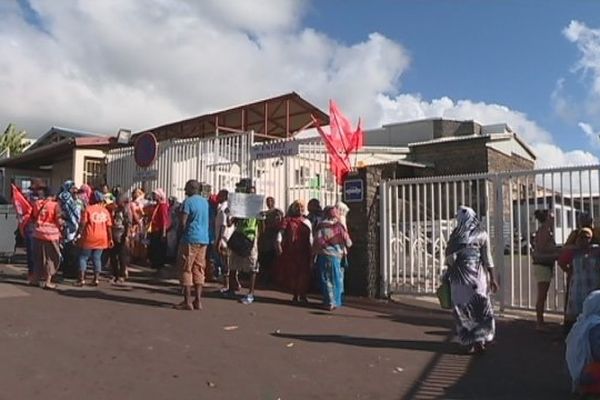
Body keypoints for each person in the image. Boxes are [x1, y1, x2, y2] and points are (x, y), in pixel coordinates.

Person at [444, 206, 498, 354]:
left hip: (459, 279)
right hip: (477, 277)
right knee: (479, 307)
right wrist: (493, 278)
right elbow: (488, 258)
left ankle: (468, 341)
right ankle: (481, 340)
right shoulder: (482, 234)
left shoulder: (456, 234)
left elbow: (449, 259)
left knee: (462, 308)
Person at [175, 180, 210, 310]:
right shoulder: (204, 202)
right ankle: (198, 300)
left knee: (186, 268)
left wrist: (180, 235)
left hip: (190, 238)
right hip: (203, 239)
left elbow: (183, 222)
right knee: (199, 268)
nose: (185, 191)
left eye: (186, 189)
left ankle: (187, 301)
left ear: (191, 189)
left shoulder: (188, 202)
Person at [558, 228, 600, 333]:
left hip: (592, 287)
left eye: (587, 238)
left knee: (593, 312)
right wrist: (569, 271)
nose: (584, 240)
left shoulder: (596, 250)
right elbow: (561, 262)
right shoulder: (573, 252)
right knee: (575, 314)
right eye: (582, 237)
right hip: (577, 287)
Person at [313, 206, 352, 310]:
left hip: (324, 255)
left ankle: (329, 301)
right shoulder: (339, 226)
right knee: (336, 278)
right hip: (337, 256)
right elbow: (348, 242)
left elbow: (317, 240)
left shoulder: (321, 226)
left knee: (326, 278)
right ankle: (336, 301)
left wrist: (314, 254)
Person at [275, 200, 313, 304]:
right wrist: (278, 243)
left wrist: (313, 250)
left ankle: (303, 294)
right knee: (293, 273)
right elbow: (281, 233)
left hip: (305, 250)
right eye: (297, 207)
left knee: (304, 273)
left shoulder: (307, 221)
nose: (300, 210)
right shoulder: (287, 220)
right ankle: (295, 294)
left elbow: (311, 238)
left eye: (301, 208)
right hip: (291, 250)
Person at [531, 209, 560, 332]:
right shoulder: (544, 231)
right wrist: (556, 252)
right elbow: (542, 249)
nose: (553, 219)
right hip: (542, 265)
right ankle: (539, 322)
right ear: (547, 218)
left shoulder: (546, 231)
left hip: (545, 265)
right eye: (552, 217)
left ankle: (540, 321)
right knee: (542, 295)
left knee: (543, 294)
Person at [566, 290, 600, 395]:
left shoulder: (581, 323)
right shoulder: (595, 326)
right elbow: (597, 353)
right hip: (589, 372)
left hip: (578, 372)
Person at [76, 193, 113, 286]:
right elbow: (109, 226)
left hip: (89, 236)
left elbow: (83, 223)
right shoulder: (105, 211)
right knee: (97, 258)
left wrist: (79, 234)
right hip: (102, 237)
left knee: (83, 257)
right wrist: (110, 238)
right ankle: (96, 279)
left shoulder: (88, 209)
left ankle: (82, 279)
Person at [31, 187, 63, 289]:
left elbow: (34, 216)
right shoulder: (55, 205)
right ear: (53, 196)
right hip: (51, 235)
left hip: (38, 233)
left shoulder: (37, 203)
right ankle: (48, 281)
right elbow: (58, 220)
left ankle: (35, 279)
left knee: (38, 257)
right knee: (51, 258)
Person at [58, 180, 82, 279]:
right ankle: (67, 271)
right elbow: (62, 211)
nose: (74, 192)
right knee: (68, 250)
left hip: (76, 226)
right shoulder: (65, 197)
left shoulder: (79, 201)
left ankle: (73, 271)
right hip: (68, 226)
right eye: (72, 188)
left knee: (74, 250)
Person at [258, 196, 284, 286]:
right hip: (264, 239)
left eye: (271, 201)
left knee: (271, 259)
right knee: (264, 259)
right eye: (267, 201)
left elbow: (279, 224)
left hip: (273, 238)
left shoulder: (277, 212)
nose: (269, 203)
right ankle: (264, 277)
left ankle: (271, 278)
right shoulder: (263, 213)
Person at [214, 190, 234, 292]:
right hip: (227, 238)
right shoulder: (227, 208)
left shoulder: (223, 209)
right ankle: (231, 284)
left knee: (225, 262)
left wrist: (218, 241)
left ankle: (226, 285)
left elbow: (223, 225)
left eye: (220, 195)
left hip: (224, 239)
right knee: (227, 262)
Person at [109, 194, 130, 284]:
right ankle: (115, 274)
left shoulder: (126, 211)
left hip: (122, 235)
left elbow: (128, 224)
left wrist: (126, 236)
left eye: (119, 201)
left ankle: (121, 275)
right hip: (114, 234)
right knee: (113, 256)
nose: (117, 203)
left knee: (122, 257)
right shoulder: (115, 210)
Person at [148, 188, 171, 270]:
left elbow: (164, 219)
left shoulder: (163, 206)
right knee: (154, 247)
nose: (153, 196)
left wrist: (164, 233)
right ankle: (155, 262)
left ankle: (159, 263)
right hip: (154, 229)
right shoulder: (156, 205)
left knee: (159, 247)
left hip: (159, 230)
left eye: (155, 194)